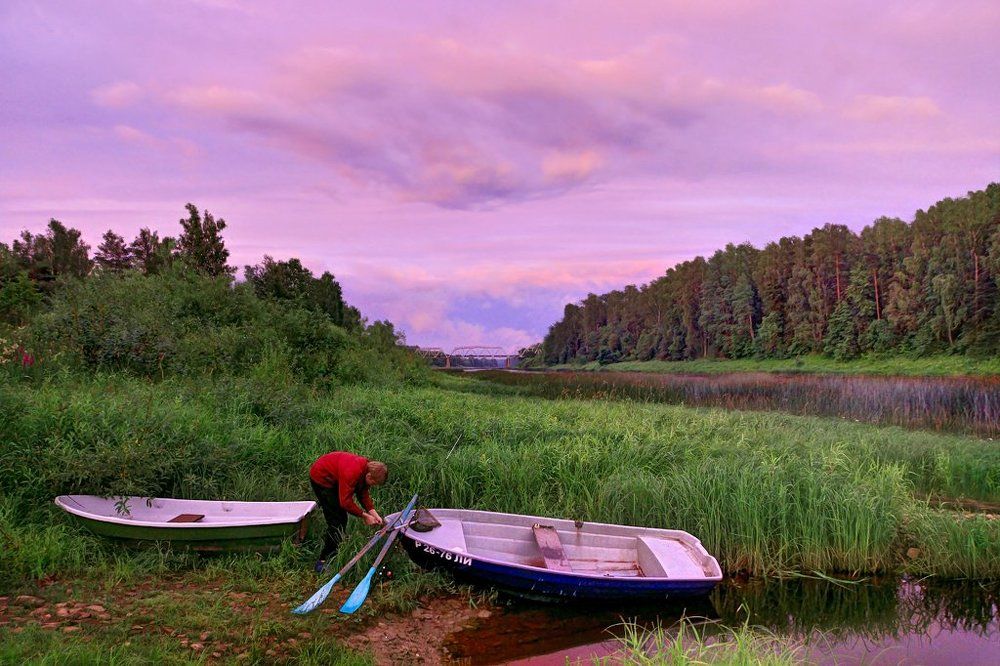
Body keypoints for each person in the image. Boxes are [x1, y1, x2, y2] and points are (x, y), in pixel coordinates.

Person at [309, 451, 388, 572]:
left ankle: (336, 546)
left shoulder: (366, 470)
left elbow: (363, 493)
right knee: (337, 521)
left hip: (335, 478)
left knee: (340, 518)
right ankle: (323, 561)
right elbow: (345, 502)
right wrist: (364, 516)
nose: (373, 485)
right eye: (374, 483)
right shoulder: (353, 472)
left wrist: (373, 513)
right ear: (369, 476)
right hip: (321, 478)